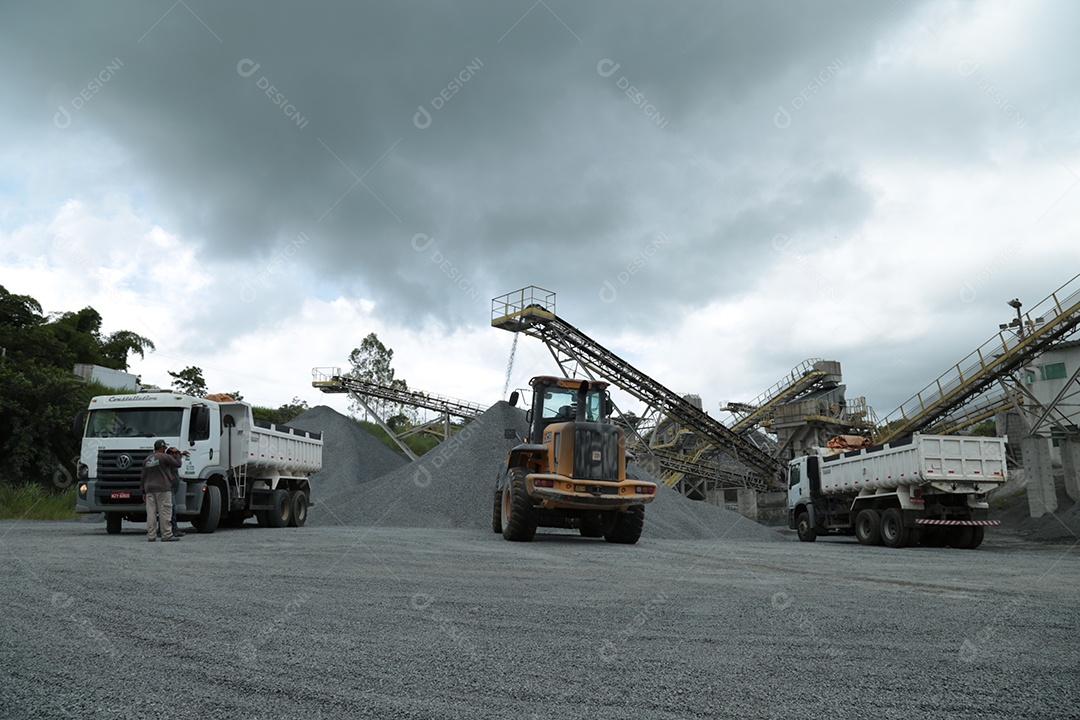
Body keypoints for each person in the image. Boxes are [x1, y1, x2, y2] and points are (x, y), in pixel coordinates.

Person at [141, 439, 185, 542]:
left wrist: (143, 491)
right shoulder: (164, 457)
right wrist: (177, 453)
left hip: (149, 490)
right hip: (163, 489)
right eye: (164, 448)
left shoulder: (147, 459)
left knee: (151, 513)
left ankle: (151, 535)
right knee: (165, 511)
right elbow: (178, 464)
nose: (165, 450)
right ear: (161, 448)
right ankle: (166, 534)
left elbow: (143, 476)